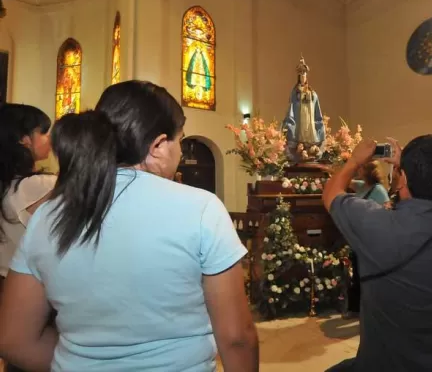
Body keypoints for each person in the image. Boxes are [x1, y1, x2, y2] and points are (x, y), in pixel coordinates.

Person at [0, 81, 258, 372]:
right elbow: (237, 338)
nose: (182, 154)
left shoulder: (49, 215)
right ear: (159, 146)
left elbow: (14, 339)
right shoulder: (201, 208)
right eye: (180, 141)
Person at [323, 135, 432, 371]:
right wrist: (409, 169)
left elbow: (331, 193)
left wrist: (354, 161)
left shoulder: (377, 225)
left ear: (403, 177)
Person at [0, 104, 55, 372]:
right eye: (45, 132)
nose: (51, 139)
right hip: (32, 291)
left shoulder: (6, 184)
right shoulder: (41, 186)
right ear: (24, 139)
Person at [344, 161, 389, 319]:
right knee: (356, 273)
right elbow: (345, 181)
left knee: (368, 276)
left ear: (369, 171)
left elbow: (386, 215)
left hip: (372, 239)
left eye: (361, 167)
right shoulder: (362, 186)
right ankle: (355, 308)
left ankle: (371, 309)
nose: (359, 169)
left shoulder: (379, 190)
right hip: (359, 238)